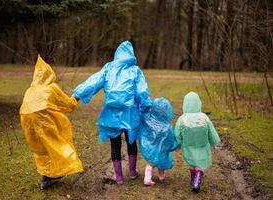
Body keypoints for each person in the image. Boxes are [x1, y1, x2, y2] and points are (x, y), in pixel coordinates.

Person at [72, 41, 152, 184]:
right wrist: (145, 105)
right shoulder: (135, 70)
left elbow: (93, 82)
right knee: (131, 141)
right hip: (130, 111)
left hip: (112, 111)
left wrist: (77, 95)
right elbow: (141, 90)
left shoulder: (108, 68)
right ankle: (133, 172)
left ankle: (119, 177)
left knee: (115, 143)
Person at [20, 55, 83, 190]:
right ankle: (56, 173)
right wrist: (76, 97)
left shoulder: (30, 89)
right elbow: (68, 105)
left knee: (41, 149)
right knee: (56, 144)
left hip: (26, 121)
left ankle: (47, 176)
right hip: (43, 120)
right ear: (49, 74)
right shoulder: (51, 88)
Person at [175, 92, 220, 193]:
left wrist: (177, 142)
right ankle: (198, 176)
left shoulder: (182, 119)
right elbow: (211, 130)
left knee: (191, 161)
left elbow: (177, 132)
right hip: (202, 145)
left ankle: (193, 178)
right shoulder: (204, 117)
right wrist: (214, 141)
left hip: (188, 145)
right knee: (200, 162)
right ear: (199, 103)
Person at [139, 97, 179, 186]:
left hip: (150, 147)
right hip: (162, 150)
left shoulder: (148, 120)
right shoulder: (167, 127)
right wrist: (174, 145)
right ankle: (161, 176)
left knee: (150, 163)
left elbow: (142, 117)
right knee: (162, 160)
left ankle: (148, 178)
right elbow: (171, 139)